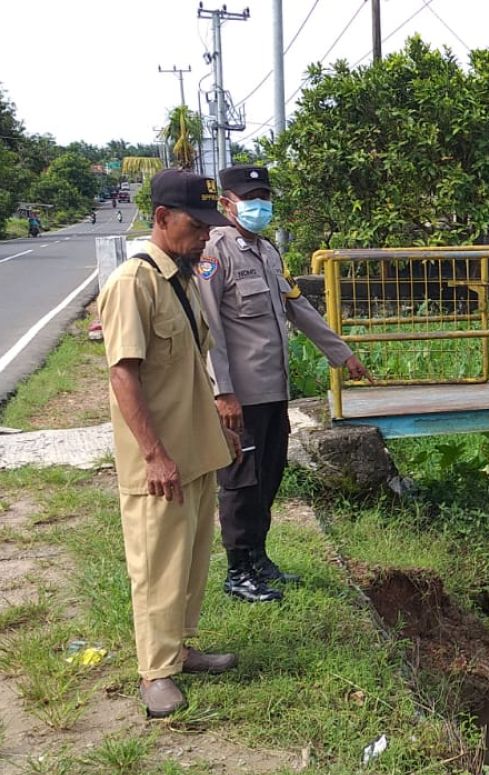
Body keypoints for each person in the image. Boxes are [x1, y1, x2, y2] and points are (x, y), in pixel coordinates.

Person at [97, 169, 243, 718]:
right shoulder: (132, 283)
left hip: (196, 449)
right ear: (161, 219)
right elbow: (124, 375)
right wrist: (154, 453)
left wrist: (219, 418)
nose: (205, 234)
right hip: (159, 459)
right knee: (157, 564)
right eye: (195, 224)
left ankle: (180, 647)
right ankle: (155, 672)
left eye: (210, 224)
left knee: (191, 560)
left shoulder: (182, 279)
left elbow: (189, 364)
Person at [197, 165, 370, 603]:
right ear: (227, 203)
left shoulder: (268, 252)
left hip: (274, 390)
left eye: (264, 196)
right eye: (250, 197)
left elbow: (299, 309)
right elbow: (210, 330)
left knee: (269, 475)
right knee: (241, 482)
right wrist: (222, 392)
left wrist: (342, 353)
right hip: (241, 396)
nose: (260, 206)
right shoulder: (216, 253)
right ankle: (238, 573)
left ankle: (259, 558)